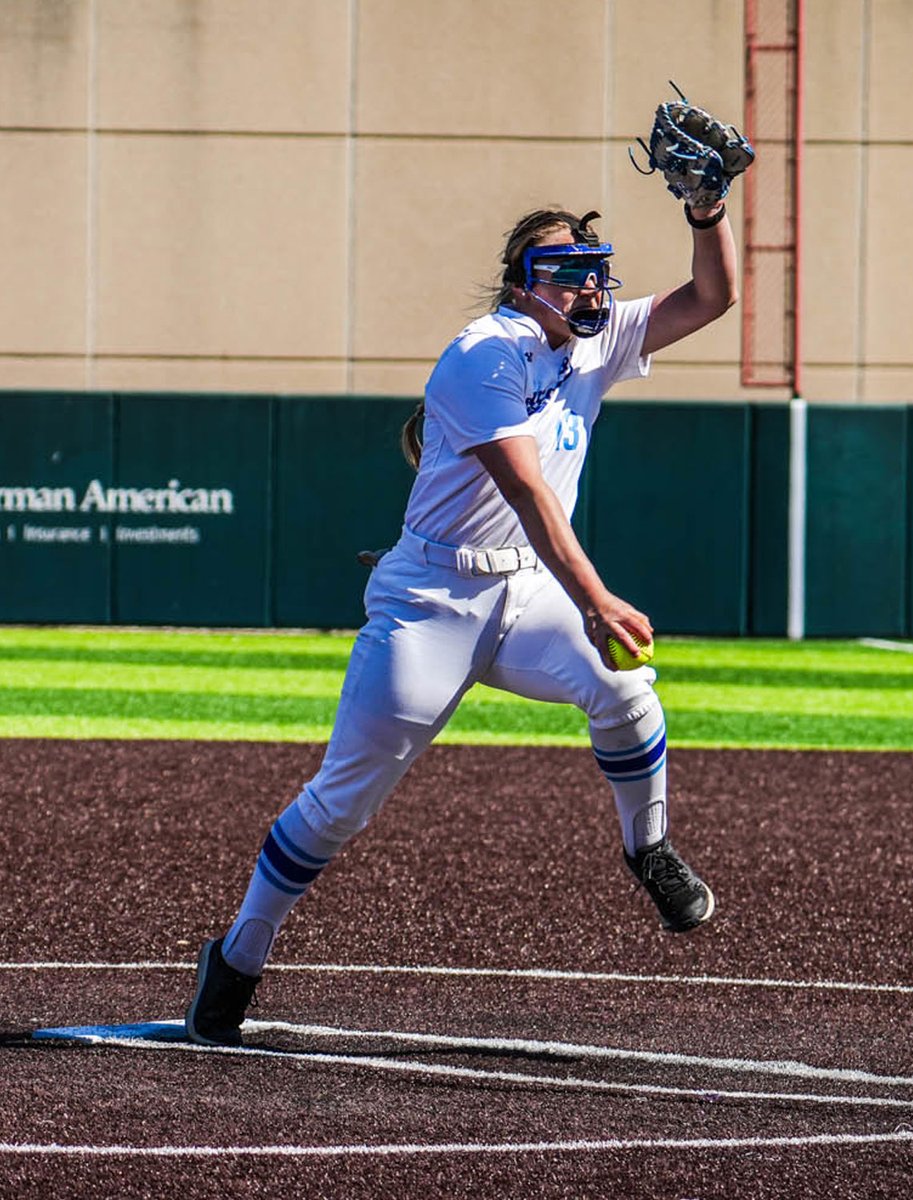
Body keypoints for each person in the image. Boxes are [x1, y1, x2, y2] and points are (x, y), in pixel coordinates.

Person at [186, 192, 739, 1047]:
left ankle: (649, 849)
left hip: (529, 592)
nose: (587, 286)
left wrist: (707, 212)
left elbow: (712, 299)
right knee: (344, 800)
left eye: (593, 270)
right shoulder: (484, 353)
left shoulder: (596, 339)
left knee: (626, 690)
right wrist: (596, 598)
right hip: (432, 600)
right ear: (522, 285)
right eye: (564, 271)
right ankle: (239, 953)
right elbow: (525, 493)